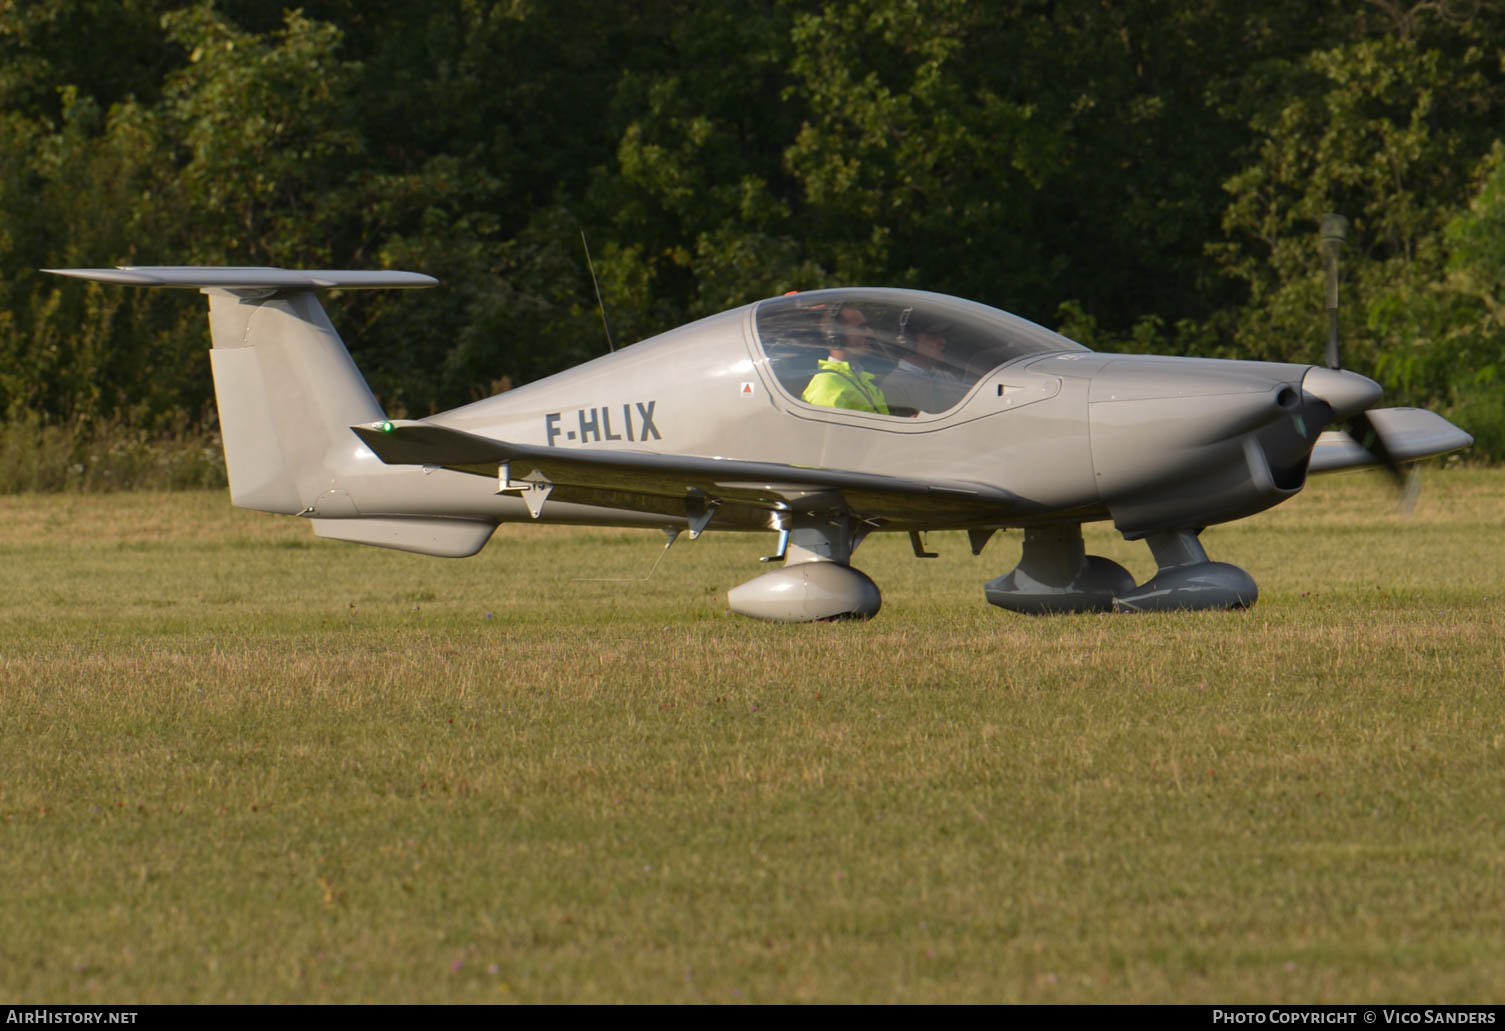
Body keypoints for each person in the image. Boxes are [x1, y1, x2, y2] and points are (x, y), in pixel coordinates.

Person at [801, 304, 891, 414]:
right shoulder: (826, 387)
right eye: (861, 328)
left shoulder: (863, 380)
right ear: (836, 337)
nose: (870, 333)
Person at [880, 311, 959, 415]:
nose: (942, 341)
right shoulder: (894, 386)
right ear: (908, 341)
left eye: (942, 335)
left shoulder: (947, 378)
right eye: (933, 336)